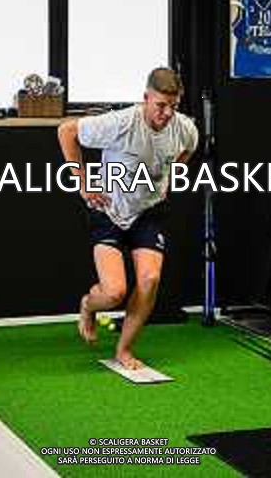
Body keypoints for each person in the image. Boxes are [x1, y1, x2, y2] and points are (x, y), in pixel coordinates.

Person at [57, 67, 199, 370]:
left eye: (173, 106)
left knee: (150, 279)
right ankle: (88, 305)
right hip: (109, 209)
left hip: (148, 211)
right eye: (160, 105)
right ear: (146, 98)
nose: (166, 113)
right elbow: (67, 131)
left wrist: (171, 175)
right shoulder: (121, 122)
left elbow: (189, 149)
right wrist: (83, 183)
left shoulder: (184, 128)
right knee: (114, 293)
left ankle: (124, 350)